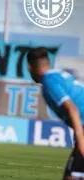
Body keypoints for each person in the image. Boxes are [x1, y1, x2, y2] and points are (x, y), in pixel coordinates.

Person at [27, 47, 84, 180]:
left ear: (30, 67)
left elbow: (71, 108)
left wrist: (80, 140)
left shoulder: (49, 81)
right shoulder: (57, 75)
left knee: (72, 177)